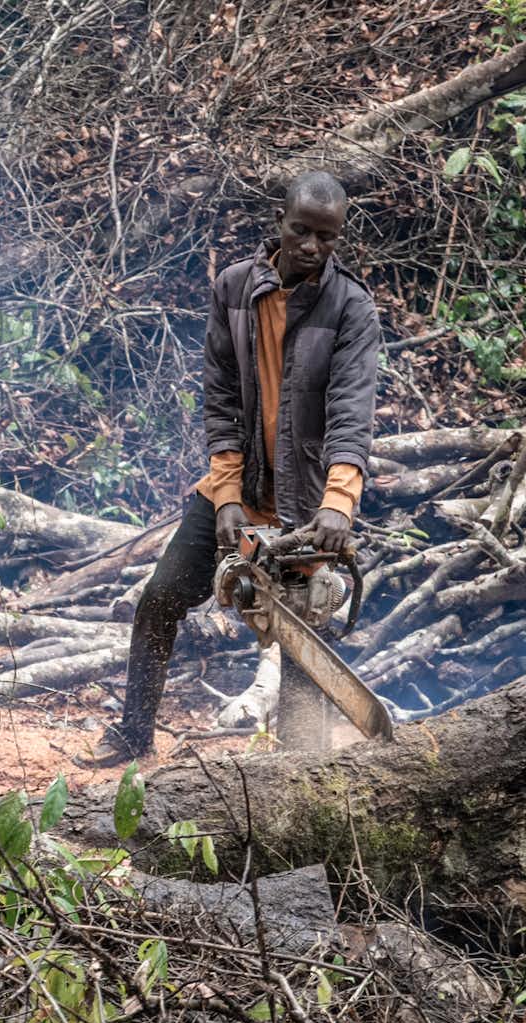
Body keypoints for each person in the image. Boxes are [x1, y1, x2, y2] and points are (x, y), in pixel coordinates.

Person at [81, 170, 384, 766]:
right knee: (162, 597)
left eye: (327, 237)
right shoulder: (235, 289)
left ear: (338, 238)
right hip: (239, 486)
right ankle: (133, 733)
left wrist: (338, 502)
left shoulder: (352, 308)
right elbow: (220, 398)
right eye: (301, 230)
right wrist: (224, 496)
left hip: (307, 503)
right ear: (280, 220)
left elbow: (352, 413)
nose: (311, 247)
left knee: (301, 641)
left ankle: (301, 772)